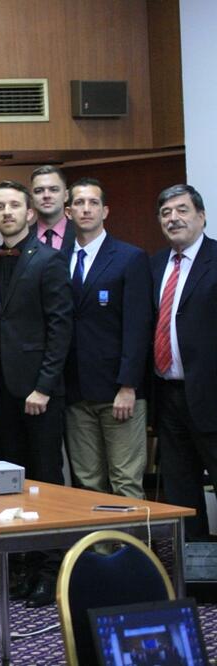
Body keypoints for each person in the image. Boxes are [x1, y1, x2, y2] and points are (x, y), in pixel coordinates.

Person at [0, 181, 72, 608]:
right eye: (0, 206)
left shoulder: (49, 260)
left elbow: (60, 328)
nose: (7, 212)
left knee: (45, 483)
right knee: (9, 484)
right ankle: (19, 565)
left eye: (15, 205)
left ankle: (48, 570)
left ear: (30, 213)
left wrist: (44, 386)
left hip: (37, 393)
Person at [63, 178, 151, 500]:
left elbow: (138, 326)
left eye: (94, 203)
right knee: (87, 483)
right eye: (80, 203)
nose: (86, 209)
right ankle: (97, 551)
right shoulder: (59, 259)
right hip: (75, 392)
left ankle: (131, 552)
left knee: (125, 481)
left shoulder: (130, 257)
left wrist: (128, 385)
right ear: (68, 211)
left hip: (119, 390)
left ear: (105, 210)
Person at [151, 184, 217, 539]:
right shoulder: (155, 264)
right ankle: (195, 580)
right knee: (182, 496)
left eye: (182, 210)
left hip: (211, 396)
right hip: (169, 397)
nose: (173, 218)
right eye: (166, 213)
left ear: (201, 216)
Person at [30, 165, 75, 255]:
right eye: (39, 191)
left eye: (54, 190)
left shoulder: (83, 235)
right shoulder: (23, 237)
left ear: (66, 195)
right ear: (31, 197)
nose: (46, 195)